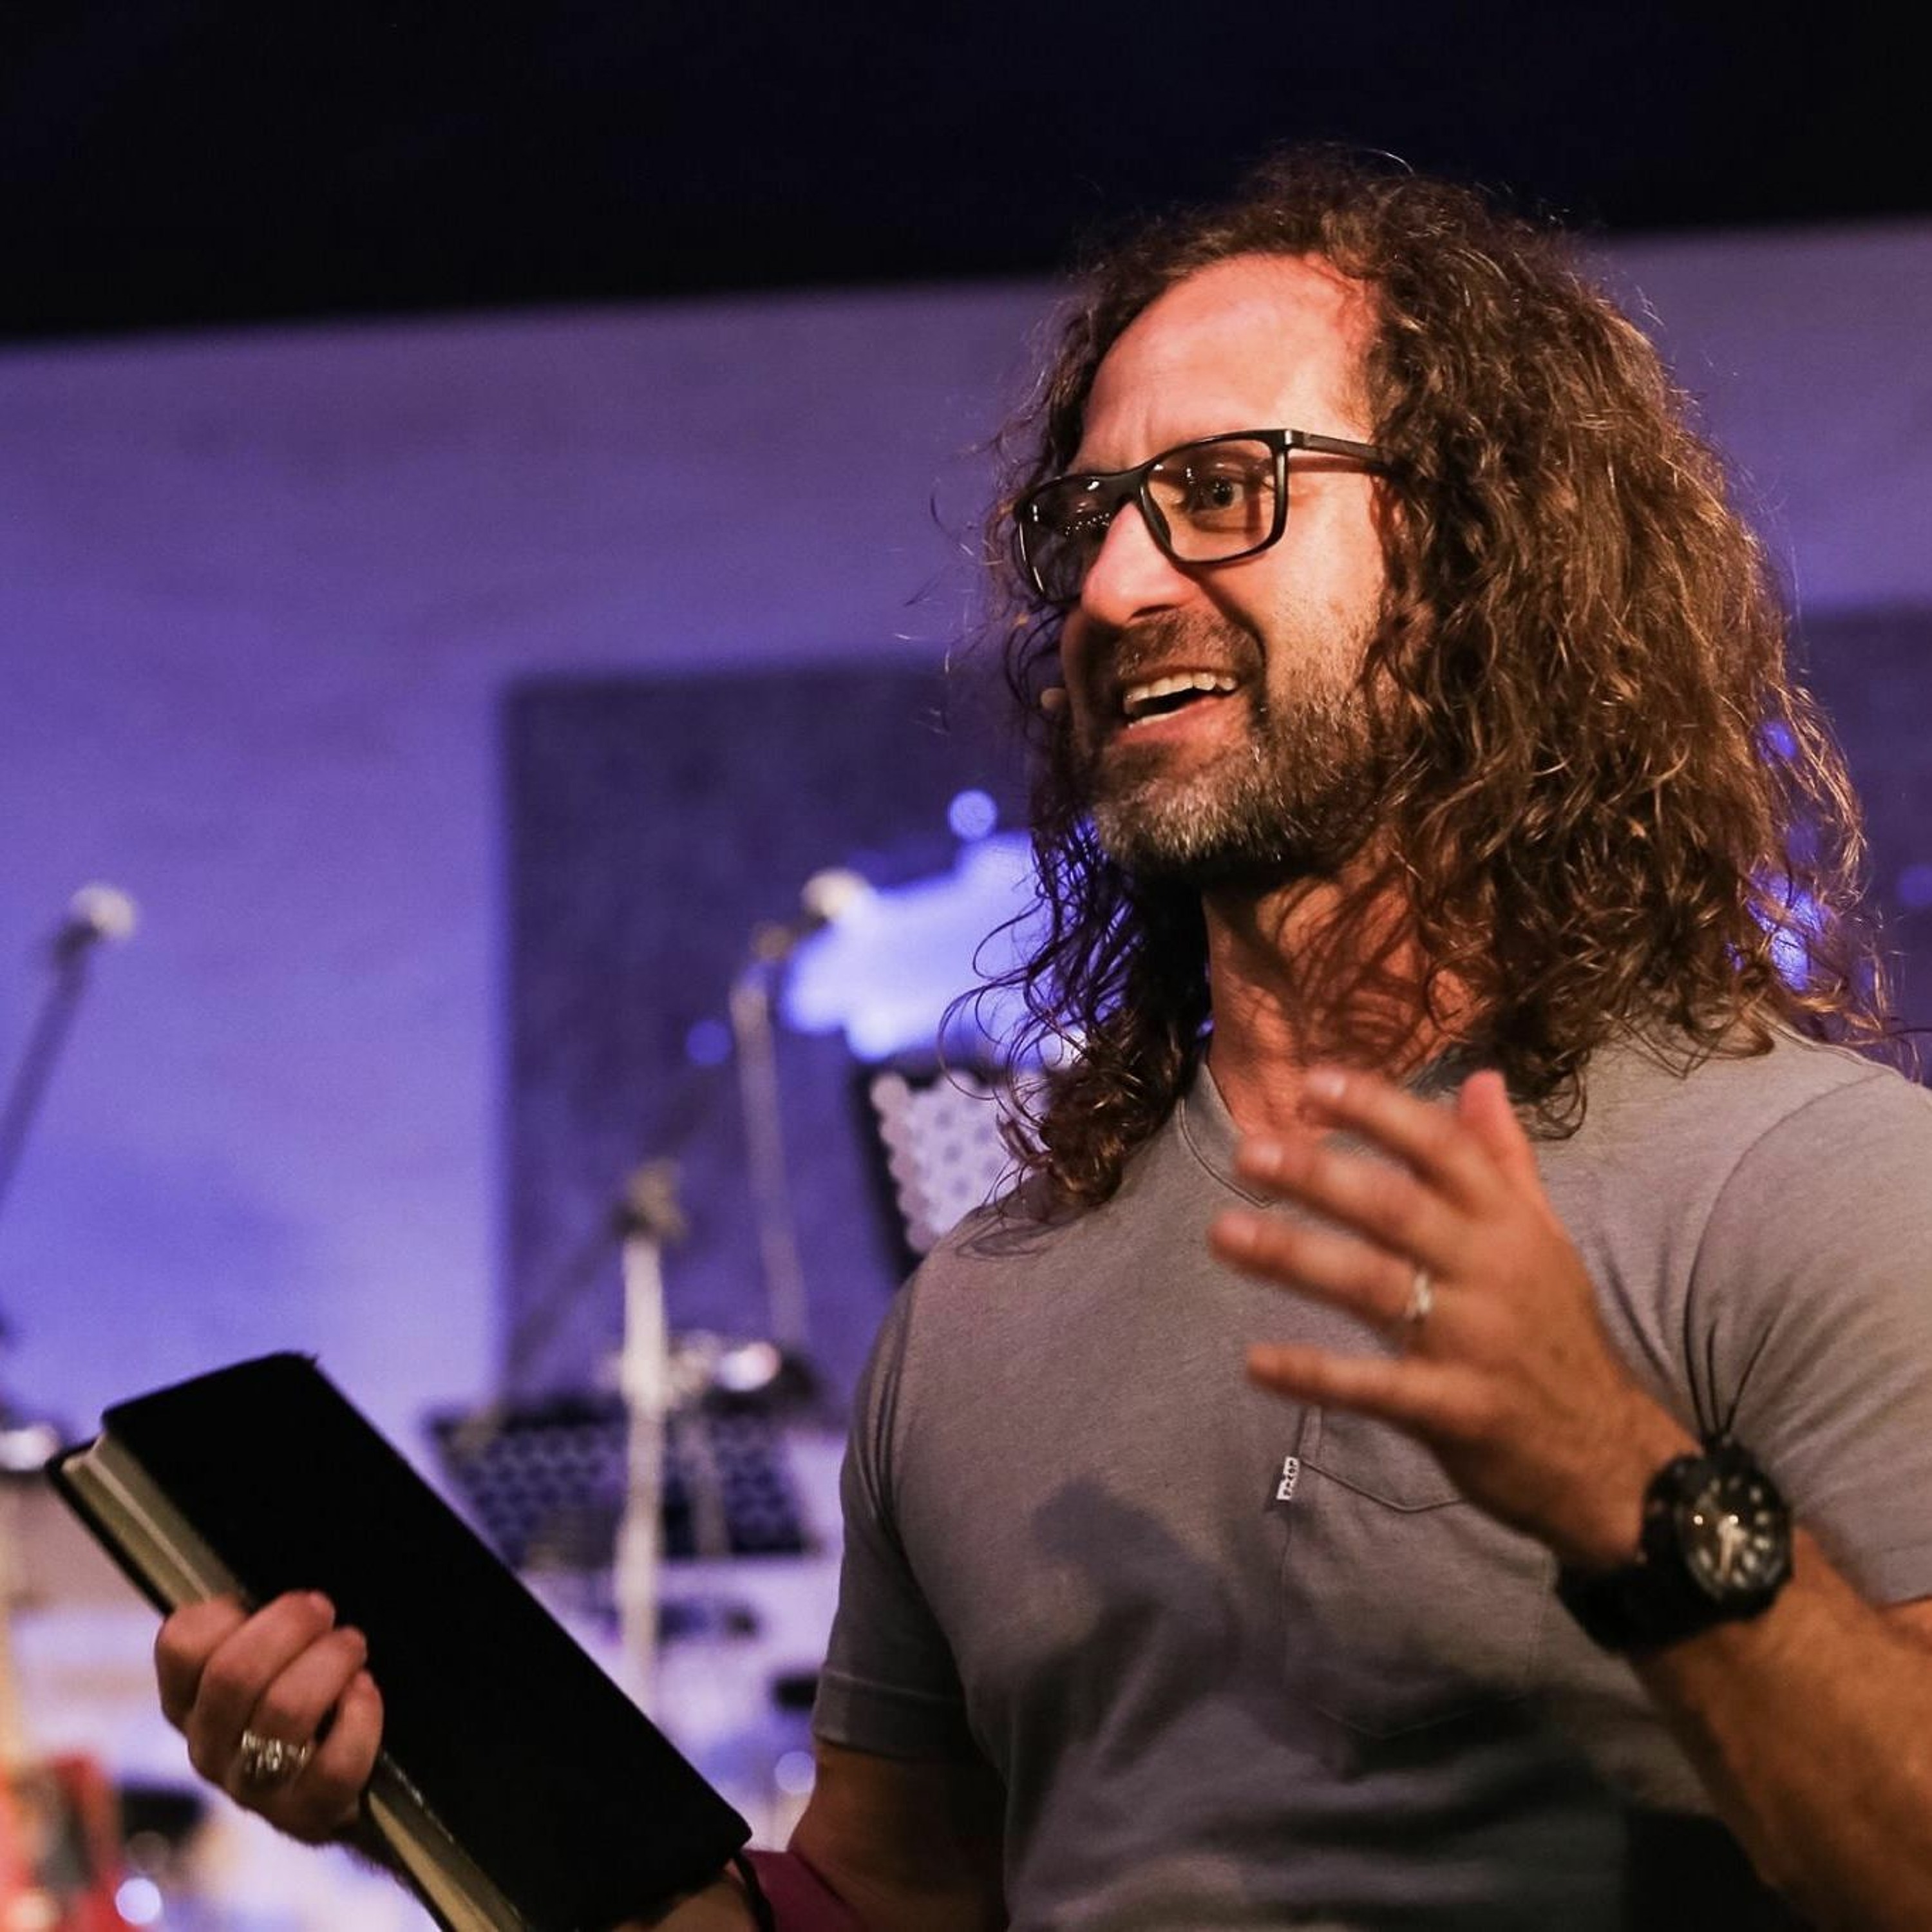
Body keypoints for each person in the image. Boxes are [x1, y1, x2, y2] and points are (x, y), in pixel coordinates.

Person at [151, 152, 1932, 1929]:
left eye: (1223, 491)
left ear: (1478, 557)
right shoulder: (983, 1310)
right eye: (1088, 523)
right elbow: (884, 1904)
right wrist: (426, 1789)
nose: (1117, 587)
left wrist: (1623, 1486)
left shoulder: (1819, 1189)